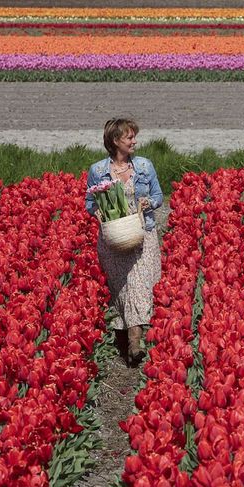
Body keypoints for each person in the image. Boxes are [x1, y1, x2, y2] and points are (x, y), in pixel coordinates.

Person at [85, 118, 163, 367]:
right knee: (124, 288)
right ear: (116, 141)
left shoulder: (143, 166)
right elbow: (89, 203)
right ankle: (128, 336)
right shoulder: (97, 171)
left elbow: (159, 195)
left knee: (140, 284)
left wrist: (147, 203)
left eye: (134, 137)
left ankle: (134, 341)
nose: (134, 141)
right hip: (115, 238)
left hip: (142, 233)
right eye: (129, 137)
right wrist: (96, 211)